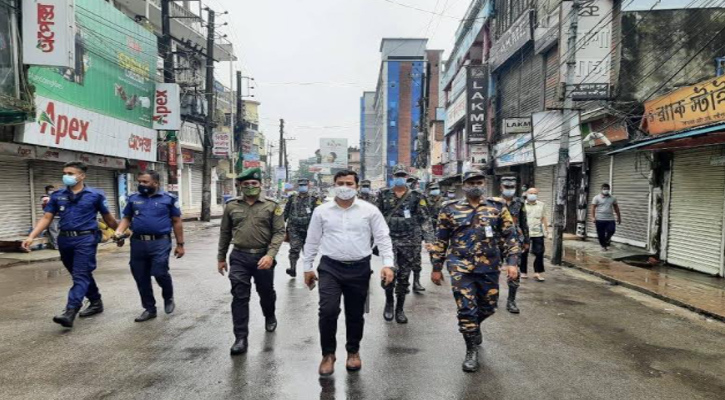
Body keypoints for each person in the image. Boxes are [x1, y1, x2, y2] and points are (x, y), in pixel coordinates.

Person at [302, 170, 395, 376]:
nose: (345, 187)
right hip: (330, 267)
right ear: (334, 185)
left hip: (359, 268)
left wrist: (388, 264)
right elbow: (312, 240)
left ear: (357, 186)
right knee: (327, 311)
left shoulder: (369, 211)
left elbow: (383, 237)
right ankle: (328, 354)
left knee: (355, 314)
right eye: (341, 183)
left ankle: (353, 351)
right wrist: (307, 267)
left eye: (349, 183)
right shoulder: (322, 211)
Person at [430, 170, 520, 373]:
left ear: (485, 184)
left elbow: (509, 236)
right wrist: (437, 267)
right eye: (471, 182)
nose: (475, 186)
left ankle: (474, 325)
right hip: (460, 267)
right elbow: (441, 240)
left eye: (479, 182)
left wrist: (512, 263)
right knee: (466, 309)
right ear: (464, 185)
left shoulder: (497, 207)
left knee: (489, 307)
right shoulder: (449, 208)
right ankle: (471, 350)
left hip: (489, 266)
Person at [22, 162, 119, 328]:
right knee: (79, 274)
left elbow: (108, 218)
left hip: (86, 239)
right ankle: (96, 301)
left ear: (82, 176)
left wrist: (119, 232)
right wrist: (31, 236)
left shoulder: (95, 195)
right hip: (65, 239)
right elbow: (47, 218)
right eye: (65, 172)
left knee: (80, 274)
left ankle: (70, 310)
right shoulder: (57, 195)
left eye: (71, 173)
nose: (66, 176)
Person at [217, 168, 285, 355]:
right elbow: (225, 233)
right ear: (240, 186)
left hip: (263, 257)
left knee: (266, 292)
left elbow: (279, 232)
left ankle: (269, 315)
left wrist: (270, 255)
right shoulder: (232, 206)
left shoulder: (272, 206)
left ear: (260, 185)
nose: (250, 187)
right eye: (246, 184)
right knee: (239, 295)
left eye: (254, 184)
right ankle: (240, 338)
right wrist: (221, 257)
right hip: (239, 256)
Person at [114, 170, 185, 322]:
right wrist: (119, 231)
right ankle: (149, 308)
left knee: (160, 272)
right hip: (138, 243)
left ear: (156, 183)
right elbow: (127, 217)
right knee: (140, 276)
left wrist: (180, 244)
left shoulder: (169, 199)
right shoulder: (133, 199)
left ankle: (168, 296)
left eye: (145, 182)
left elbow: (177, 221)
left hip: (160, 241)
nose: (141, 184)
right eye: (139, 181)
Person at [376, 164, 434, 322]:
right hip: (389, 241)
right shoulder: (383, 194)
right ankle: (389, 302)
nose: (400, 178)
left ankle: (400, 308)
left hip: (410, 242)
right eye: (397, 176)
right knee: (390, 272)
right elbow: (375, 217)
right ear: (393, 177)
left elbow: (425, 219)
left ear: (407, 177)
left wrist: (429, 240)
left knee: (404, 276)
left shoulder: (416, 196)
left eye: (403, 175)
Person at [500, 176, 528, 314]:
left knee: (514, 271)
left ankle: (511, 301)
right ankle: (490, 297)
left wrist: (527, 240)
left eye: (512, 187)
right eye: (507, 187)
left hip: (515, 240)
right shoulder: (494, 203)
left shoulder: (519, 202)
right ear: (501, 187)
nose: (509, 190)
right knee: (491, 270)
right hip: (497, 240)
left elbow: (524, 222)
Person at [283, 178, 322, 277]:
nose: (302, 187)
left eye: (304, 185)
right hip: (294, 227)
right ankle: (292, 268)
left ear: (308, 186)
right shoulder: (292, 198)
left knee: (308, 250)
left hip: (309, 228)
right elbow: (286, 211)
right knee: (294, 249)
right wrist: (280, 224)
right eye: (301, 185)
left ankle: (308, 269)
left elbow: (319, 213)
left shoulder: (314, 198)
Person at [522, 188, 548, 282]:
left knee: (539, 252)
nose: (533, 195)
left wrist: (546, 231)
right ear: (527, 194)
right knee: (524, 252)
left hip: (538, 232)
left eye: (535, 193)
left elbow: (544, 218)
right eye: (531, 193)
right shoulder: (522, 205)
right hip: (525, 232)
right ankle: (523, 272)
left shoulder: (541, 205)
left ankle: (537, 272)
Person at [591, 183, 621, 251]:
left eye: (607, 189)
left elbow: (616, 208)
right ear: (601, 190)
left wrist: (619, 217)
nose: (606, 190)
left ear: (609, 189)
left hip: (610, 219)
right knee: (601, 234)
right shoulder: (596, 198)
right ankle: (603, 246)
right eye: (604, 189)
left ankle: (607, 240)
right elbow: (593, 208)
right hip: (599, 219)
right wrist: (593, 217)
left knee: (612, 230)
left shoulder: (613, 198)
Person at [41, 185, 60, 249]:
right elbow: (48, 205)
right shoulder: (45, 197)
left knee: (56, 231)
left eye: (53, 189)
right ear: (47, 190)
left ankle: (53, 244)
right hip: (51, 217)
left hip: (58, 216)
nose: (52, 191)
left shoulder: (54, 196)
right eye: (50, 190)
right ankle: (56, 246)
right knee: (53, 231)